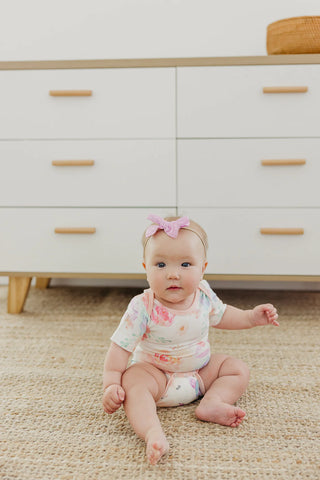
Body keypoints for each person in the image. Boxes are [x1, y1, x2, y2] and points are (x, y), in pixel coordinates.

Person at [102, 215, 279, 465]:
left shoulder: (204, 294)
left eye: (185, 264)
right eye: (161, 265)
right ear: (145, 267)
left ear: (203, 268)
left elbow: (224, 314)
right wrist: (111, 384)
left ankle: (212, 403)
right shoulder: (143, 306)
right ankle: (152, 431)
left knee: (236, 368)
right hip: (157, 377)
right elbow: (120, 348)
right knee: (133, 382)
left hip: (199, 374)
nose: (173, 274)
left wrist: (251, 317)